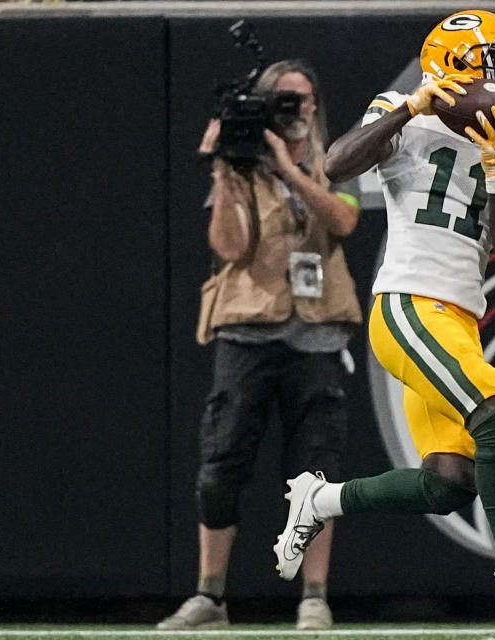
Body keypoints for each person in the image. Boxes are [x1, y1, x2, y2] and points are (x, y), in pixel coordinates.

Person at [269, 10, 495, 637]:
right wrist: (412, 106)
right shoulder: (402, 108)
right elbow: (336, 167)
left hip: (460, 319)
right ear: (452, 67)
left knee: (449, 482)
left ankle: (321, 498)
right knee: (494, 403)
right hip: (407, 306)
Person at [157, 59, 363, 631]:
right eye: (280, 101)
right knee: (220, 464)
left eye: (299, 100)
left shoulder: (337, 158)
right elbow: (230, 247)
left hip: (317, 331)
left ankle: (314, 595)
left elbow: (345, 222)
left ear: (315, 104)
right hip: (248, 328)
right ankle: (210, 595)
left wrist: (290, 172)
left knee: (316, 472)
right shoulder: (242, 164)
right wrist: (225, 170)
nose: (291, 111)